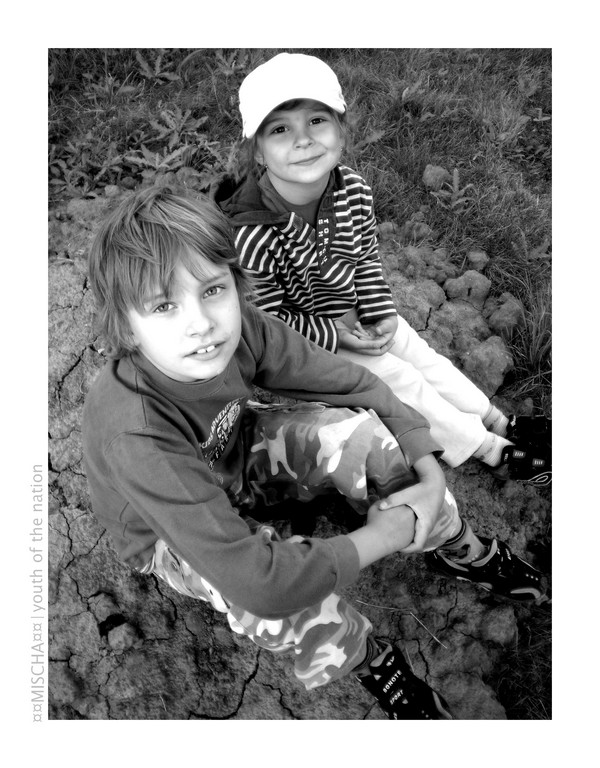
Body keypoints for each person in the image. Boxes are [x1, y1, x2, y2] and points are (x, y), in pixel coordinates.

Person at [82, 186, 544, 721]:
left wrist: (428, 472)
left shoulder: (242, 330)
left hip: (236, 452)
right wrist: (383, 535)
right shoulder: (135, 433)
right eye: (164, 306)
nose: (201, 323)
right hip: (163, 530)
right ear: (126, 327)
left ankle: (455, 546)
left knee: (366, 441)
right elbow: (260, 582)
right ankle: (371, 659)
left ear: (236, 282)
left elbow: (357, 384)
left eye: (212, 289)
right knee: (267, 600)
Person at [215, 51, 551, 488]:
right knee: (399, 379)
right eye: (280, 129)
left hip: (354, 316)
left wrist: (380, 312)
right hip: (302, 346)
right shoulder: (252, 231)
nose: (303, 140)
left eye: (317, 120)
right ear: (257, 151)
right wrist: (337, 335)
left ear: (341, 130)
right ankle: (488, 449)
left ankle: (498, 420)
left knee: (420, 355)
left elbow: (365, 259)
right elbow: (268, 322)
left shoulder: (353, 190)